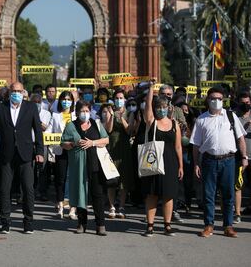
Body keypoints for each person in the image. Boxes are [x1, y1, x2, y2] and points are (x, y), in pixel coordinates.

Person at [190, 86, 247, 238]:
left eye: (220, 99)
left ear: (224, 100)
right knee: (209, 195)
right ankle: (209, 225)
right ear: (207, 100)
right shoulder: (201, 119)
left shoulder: (230, 116)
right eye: (213, 98)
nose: (216, 101)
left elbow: (241, 138)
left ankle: (228, 226)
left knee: (228, 195)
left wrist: (244, 157)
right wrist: (196, 163)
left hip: (228, 161)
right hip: (209, 161)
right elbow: (196, 145)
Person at [0, 82, 44, 234]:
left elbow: (38, 131)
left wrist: (40, 151)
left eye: (19, 91)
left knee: (28, 189)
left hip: (25, 154)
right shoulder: (0, 108)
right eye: (14, 91)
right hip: (6, 155)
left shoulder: (31, 107)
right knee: (5, 189)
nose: (16, 94)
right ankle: (5, 222)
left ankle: (28, 222)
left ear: (23, 92)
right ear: (9, 92)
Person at [61, 100, 110, 236]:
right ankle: (81, 223)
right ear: (77, 112)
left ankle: (100, 224)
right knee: (80, 193)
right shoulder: (71, 126)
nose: (85, 114)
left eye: (87, 111)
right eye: (82, 111)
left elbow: (106, 140)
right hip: (78, 166)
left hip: (95, 164)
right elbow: (63, 143)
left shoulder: (96, 124)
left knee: (97, 195)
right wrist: (74, 143)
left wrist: (93, 142)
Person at [142, 82, 183, 237]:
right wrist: (151, 89)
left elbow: (178, 147)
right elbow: (147, 108)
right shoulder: (151, 122)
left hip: (171, 162)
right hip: (153, 160)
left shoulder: (174, 124)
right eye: (158, 107)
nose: (161, 109)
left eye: (164, 107)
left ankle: (167, 225)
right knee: (152, 194)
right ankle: (150, 225)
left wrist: (181, 166)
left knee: (168, 195)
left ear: (168, 108)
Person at [101, 89, 135, 219]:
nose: (119, 100)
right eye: (117, 97)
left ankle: (121, 205)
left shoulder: (129, 113)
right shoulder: (111, 111)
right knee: (111, 178)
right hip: (112, 147)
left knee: (124, 179)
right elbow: (108, 129)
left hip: (125, 147)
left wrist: (121, 117)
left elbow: (129, 131)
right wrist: (111, 115)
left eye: (121, 97)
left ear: (125, 99)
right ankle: (112, 206)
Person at [159, 84, 186, 223]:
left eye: (169, 94)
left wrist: (172, 119)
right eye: (163, 94)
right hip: (156, 152)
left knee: (172, 184)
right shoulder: (154, 110)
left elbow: (184, 126)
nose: (166, 96)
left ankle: (173, 210)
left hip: (172, 149)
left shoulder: (177, 110)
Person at [51, 91, 77, 218]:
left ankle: (72, 209)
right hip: (60, 150)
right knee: (60, 179)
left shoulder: (76, 115)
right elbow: (49, 132)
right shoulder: (56, 115)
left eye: (69, 99)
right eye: (64, 99)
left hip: (75, 151)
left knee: (73, 179)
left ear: (72, 101)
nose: (66, 101)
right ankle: (60, 208)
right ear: (60, 100)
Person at [30, 93, 52, 201]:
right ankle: (30, 192)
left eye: (38, 102)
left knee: (42, 169)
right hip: (29, 144)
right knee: (30, 170)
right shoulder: (26, 112)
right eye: (34, 102)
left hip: (42, 144)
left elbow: (45, 127)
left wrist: (35, 119)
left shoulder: (46, 113)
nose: (36, 104)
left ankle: (42, 192)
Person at [237, 91, 251, 218]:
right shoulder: (234, 116)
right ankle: (237, 211)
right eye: (243, 103)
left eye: (247, 102)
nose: (245, 105)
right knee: (239, 183)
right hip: (240, 156)